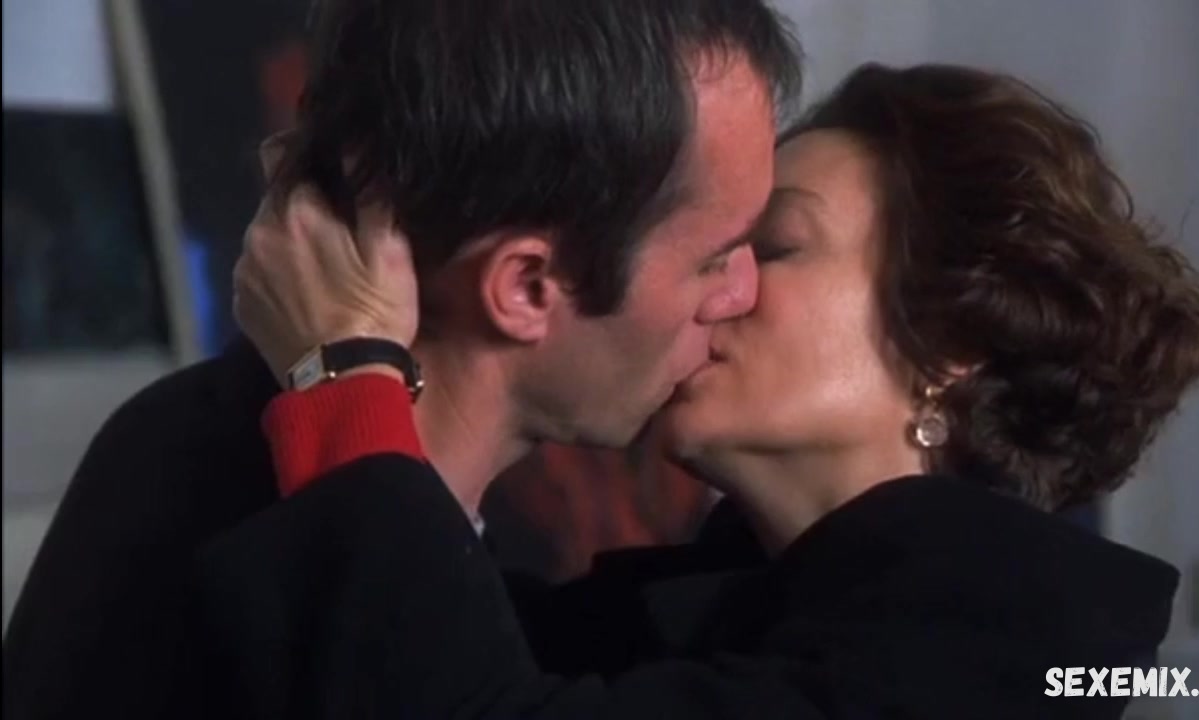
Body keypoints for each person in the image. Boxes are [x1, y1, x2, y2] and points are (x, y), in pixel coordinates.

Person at [205, 63, 1199, 719]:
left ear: (951, 338)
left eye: (770, 247)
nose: (716, 286)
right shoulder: (706, 607)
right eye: (710, 247)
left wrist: (343, 370)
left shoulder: (1000, 655)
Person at [0, 2, 801, 718]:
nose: (744, 291)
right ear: (526, 287)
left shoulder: (251, 461)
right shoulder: (216, 512)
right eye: (716, 257)